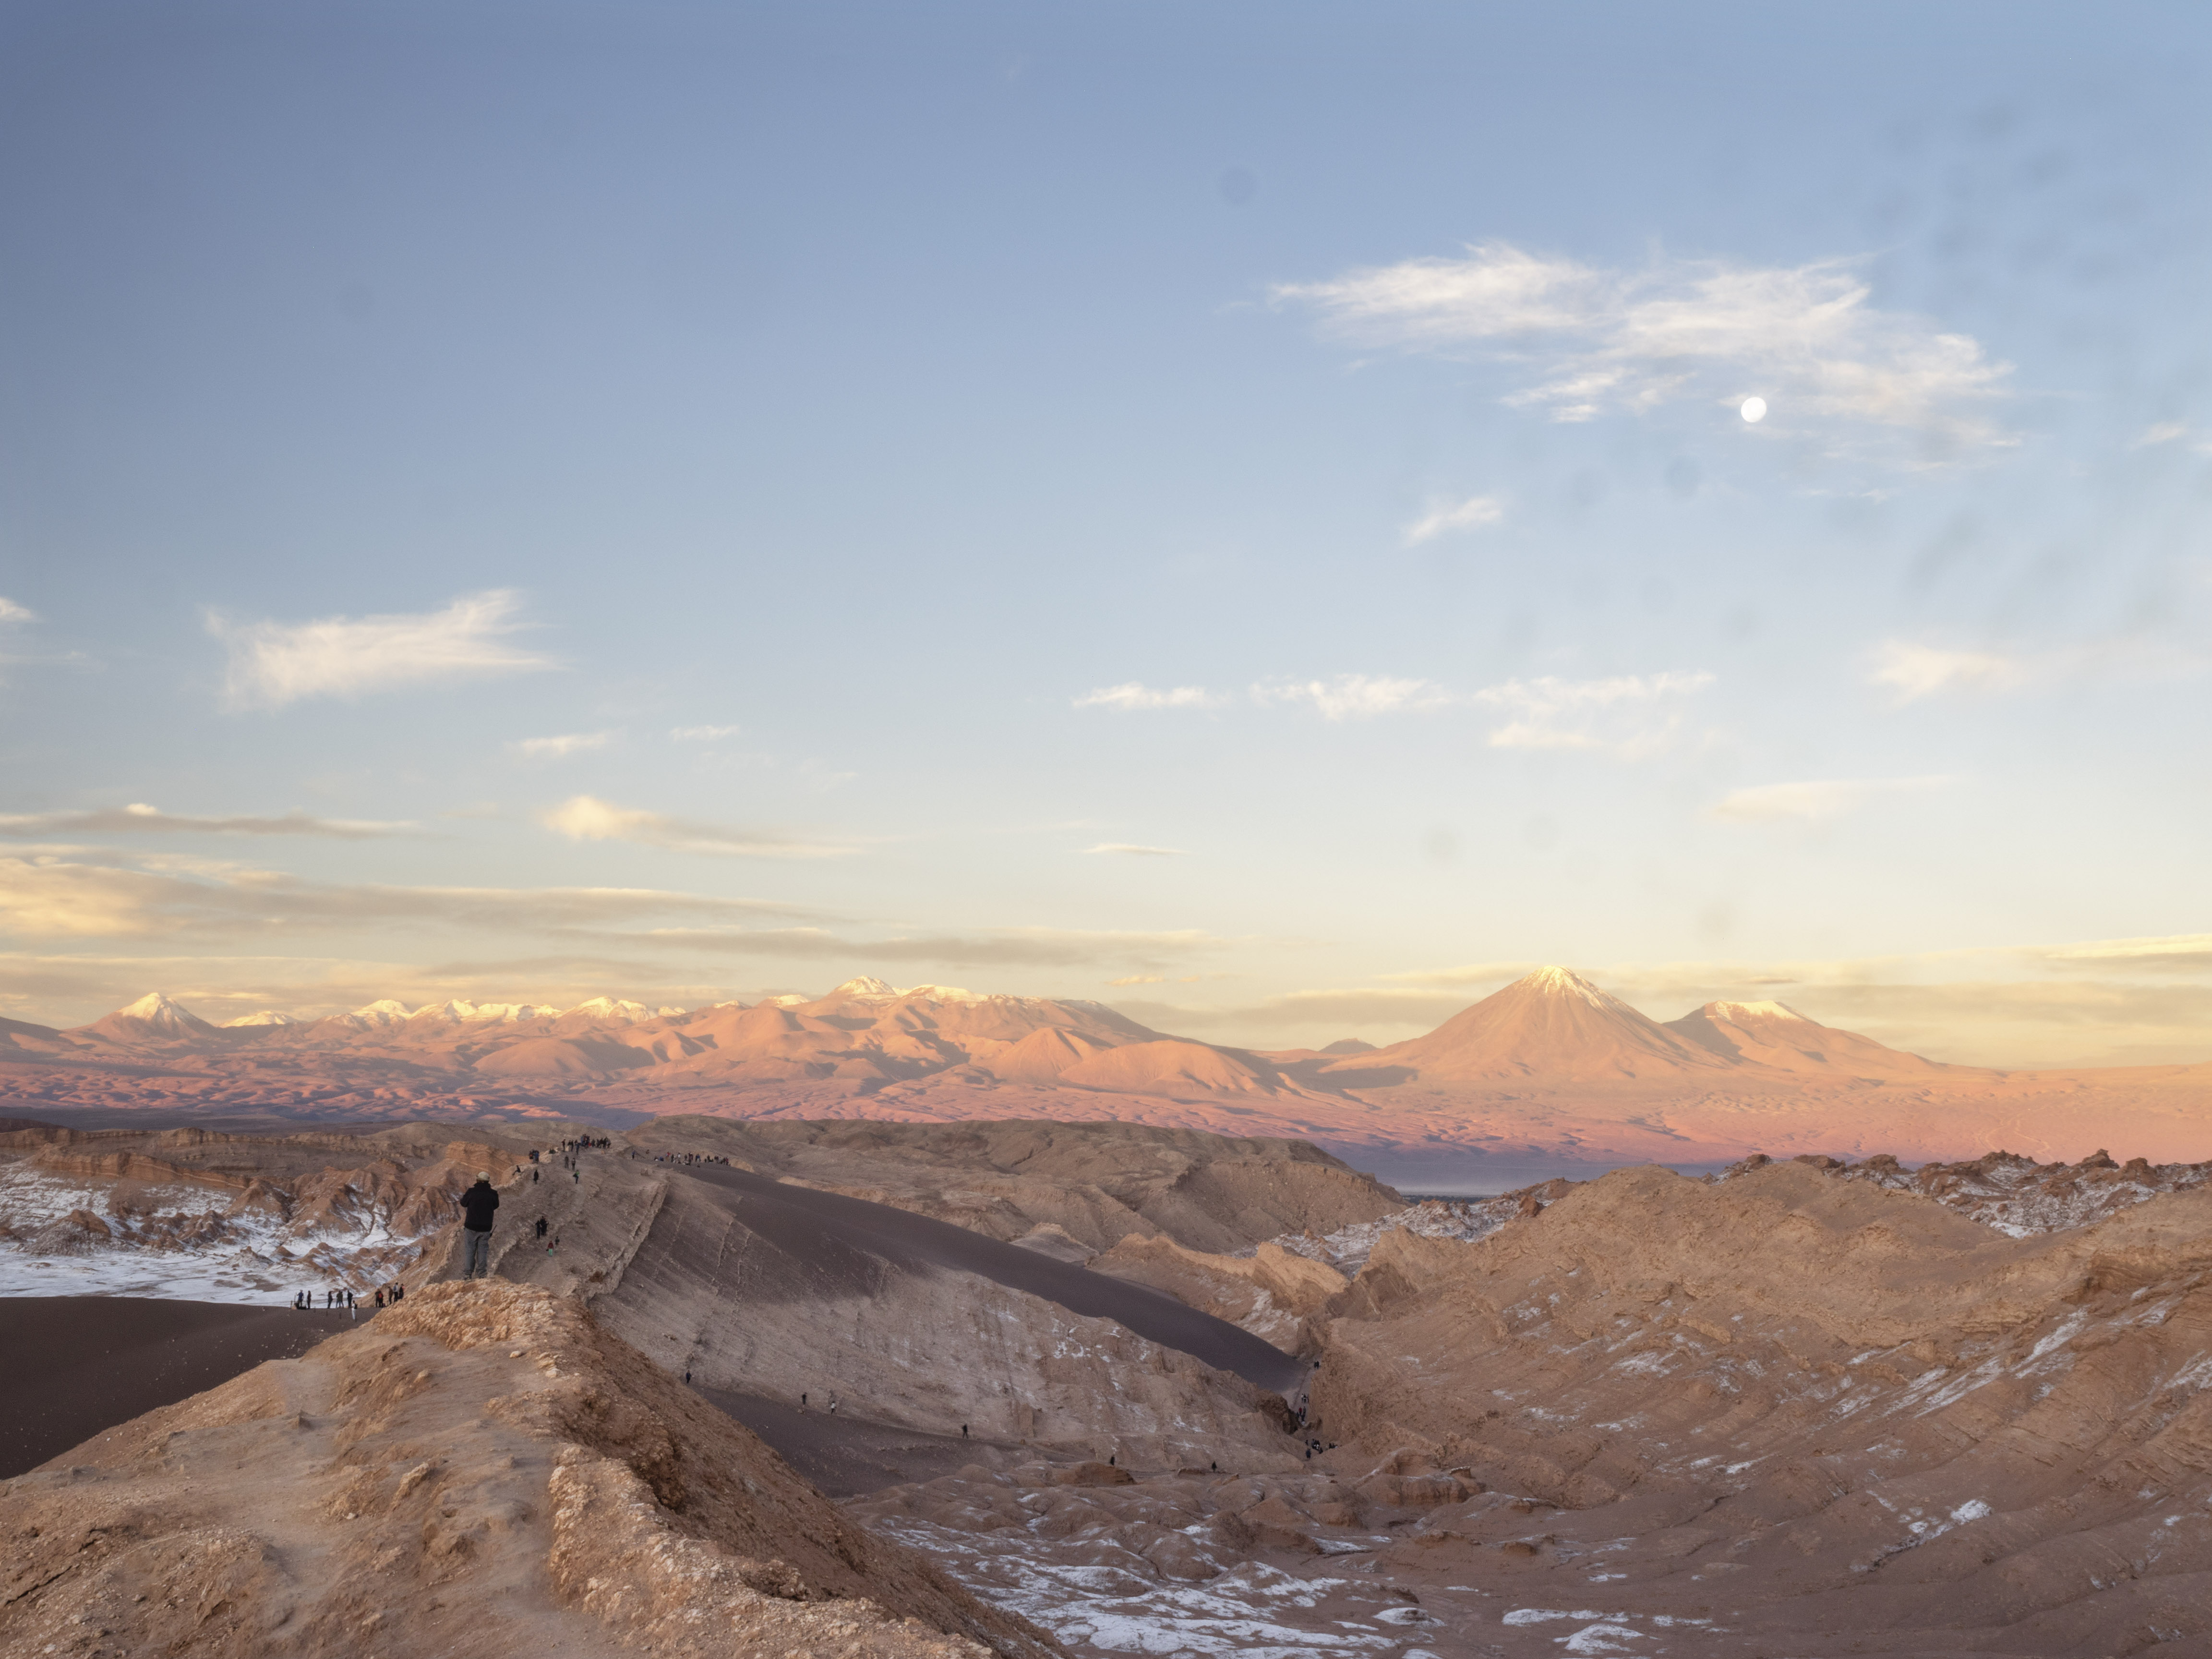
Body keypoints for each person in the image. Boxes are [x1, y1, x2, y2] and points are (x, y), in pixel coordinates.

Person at [459, 1169, 500, 1279]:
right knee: (483, 1251)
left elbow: (463, 1203)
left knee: (470, 1250)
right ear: (488, 1182)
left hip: (471, 1226)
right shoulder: (493, 1194)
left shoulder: (472, 1192)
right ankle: (482, 1275)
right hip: (486, 1227)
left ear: (478, 1180)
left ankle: (468, 1275)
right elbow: (496, 1205)